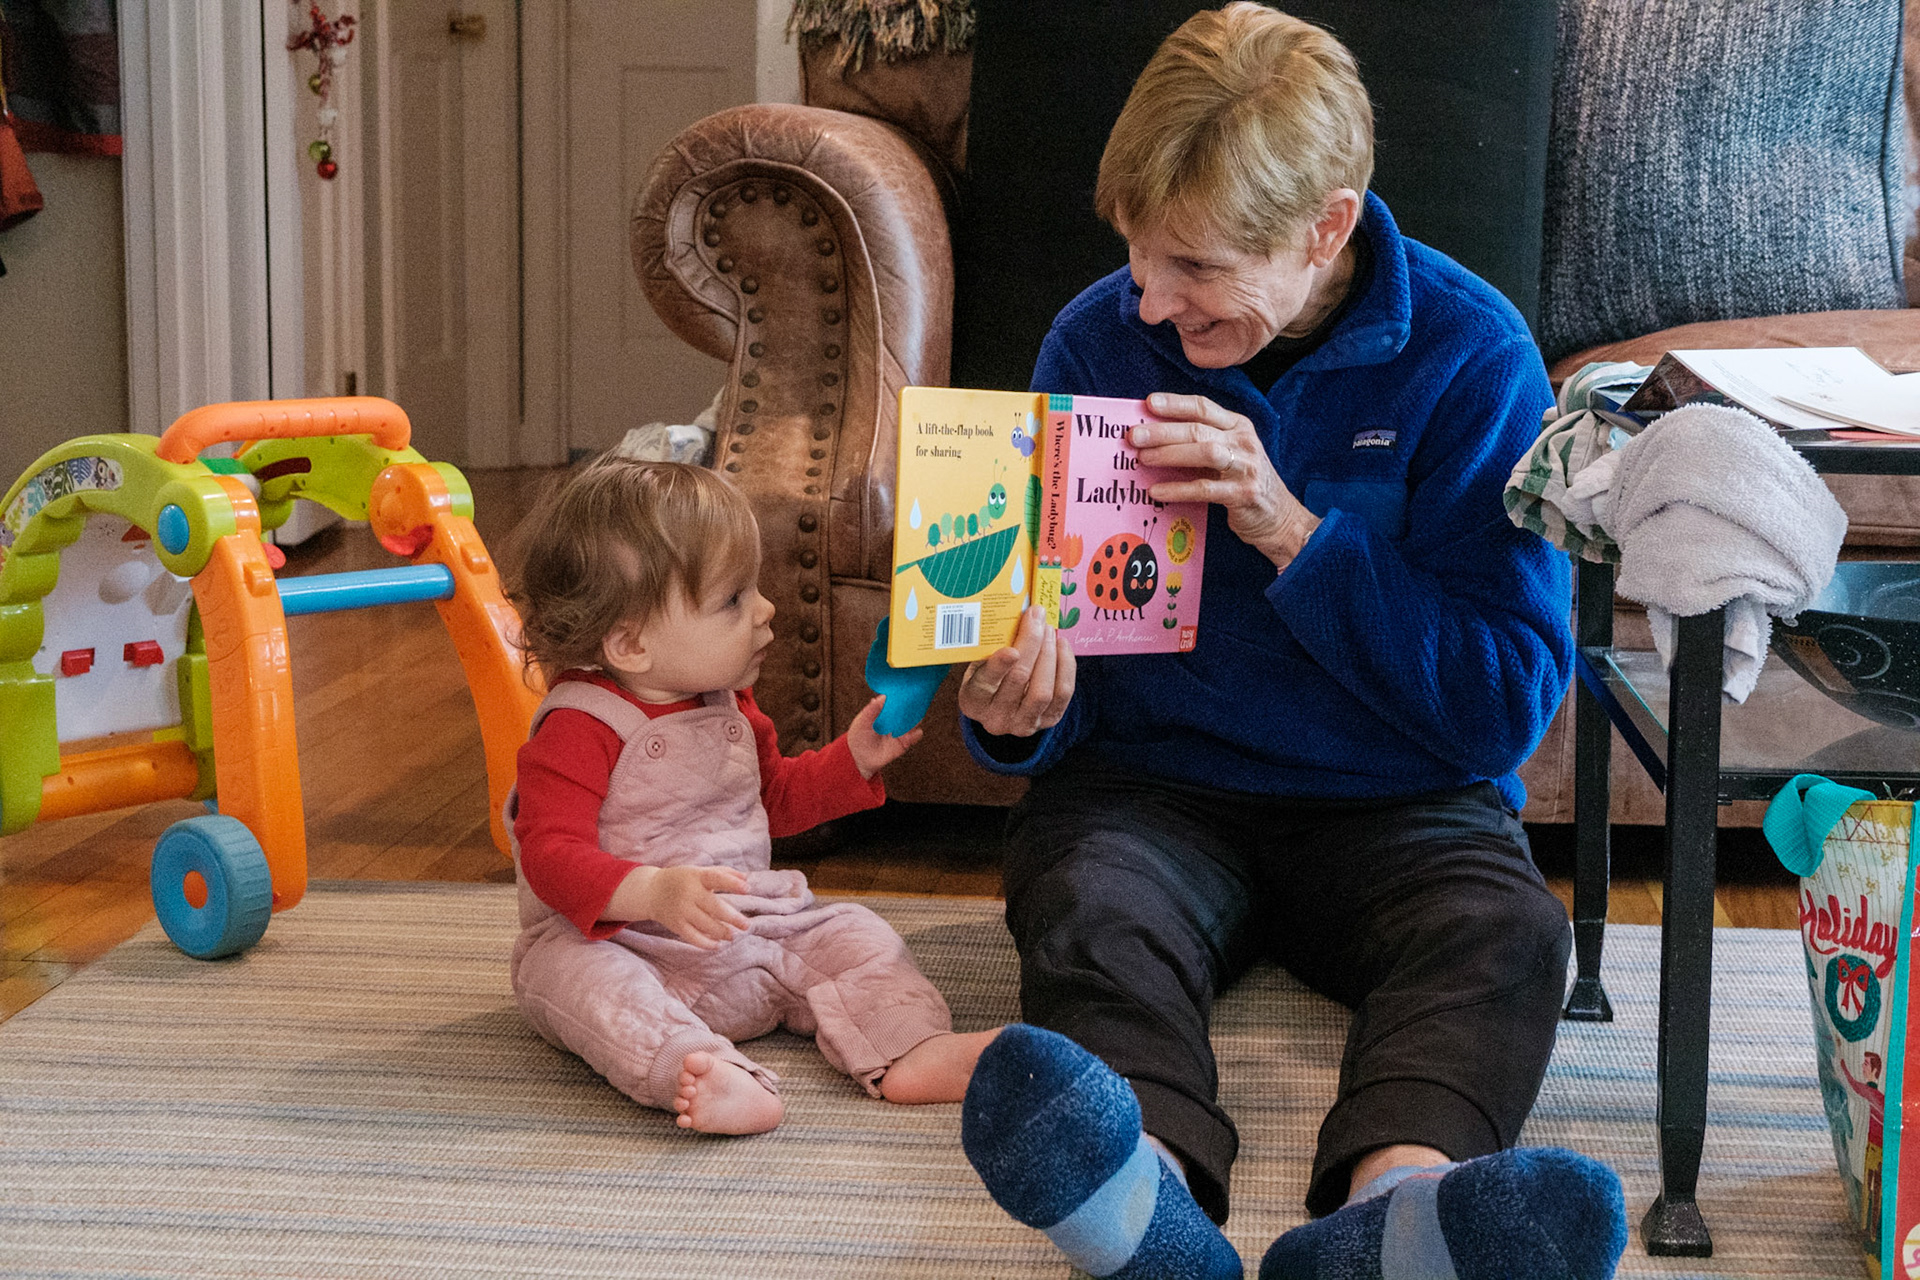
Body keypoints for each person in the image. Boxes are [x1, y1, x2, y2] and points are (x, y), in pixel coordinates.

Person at [950, 6, 1629, 1278]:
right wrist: (1015, 706)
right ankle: (1145, 1208)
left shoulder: (1474, 355)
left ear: (1326, 226)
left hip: (1400, 802)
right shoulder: (1098, 337)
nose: (1152, 301)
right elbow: (1051, 668)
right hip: (1151, 791)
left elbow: (1502, 706)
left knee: (1511, 933)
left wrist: (1292, 531)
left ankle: (1396, 1215)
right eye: (1137, 253)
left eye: (1195, 267)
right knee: (1087, 904)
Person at [503, 457, 998, 1136]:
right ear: (631, 643)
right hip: (626, 946)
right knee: (574, 980)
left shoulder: (730, 703)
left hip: (749, 931)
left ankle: (908, 1046)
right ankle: (698, 1065)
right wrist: (652, 892)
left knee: (858, 935)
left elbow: (777, 799)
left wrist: (851, 760)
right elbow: (549, 856)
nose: (765, 610)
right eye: (733, 600)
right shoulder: (578, 726)